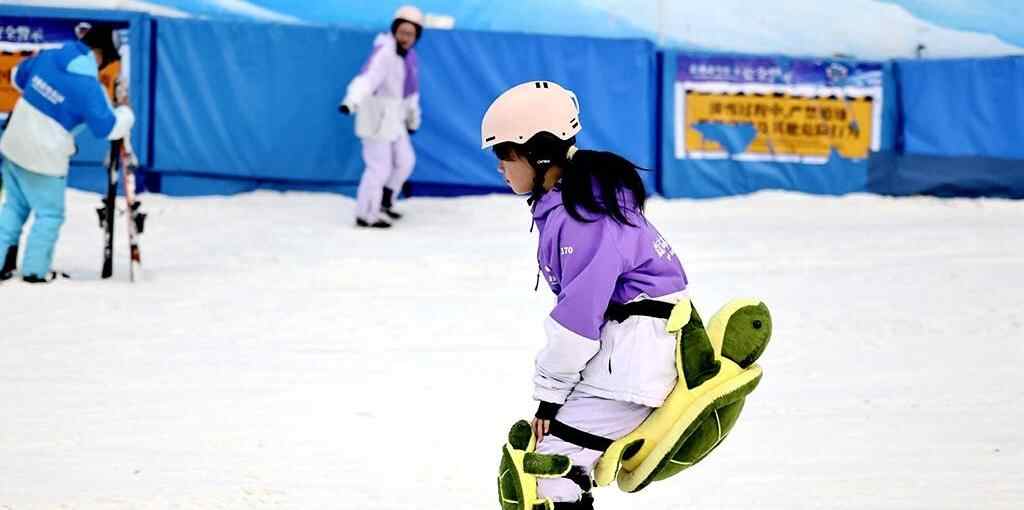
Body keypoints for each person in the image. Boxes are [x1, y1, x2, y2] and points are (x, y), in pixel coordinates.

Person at [480, 81, 689, 509]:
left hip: (632, 365)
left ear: (539, 155)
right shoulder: (577, 205)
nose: (500, 167)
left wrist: (549, 397)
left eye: (505, 155)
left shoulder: (585, 220)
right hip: (625, 357)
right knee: (547, 470)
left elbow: (577, 321)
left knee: (547, 473)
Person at [0, 22, 135, 283]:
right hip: (43, 159)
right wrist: (126, 112)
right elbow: (108, 128)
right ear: (101, 53)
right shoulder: (87, 86)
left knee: (13, 209)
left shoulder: (49, 56)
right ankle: (34, 272)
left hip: (13, 145)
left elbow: (17, 76)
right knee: (49, 215)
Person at [338, 5, 424, 228]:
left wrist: (413, 119)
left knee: (405, 161)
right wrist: (352, 101)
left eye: (410, 34)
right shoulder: (384, 53)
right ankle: (366, 213)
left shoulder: (410, 57)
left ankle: (386, 200)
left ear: (417, 36)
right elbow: (366, 79)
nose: (405, 38)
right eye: (402, 32)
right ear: (394, 31)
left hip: (395, 118)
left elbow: (411, 92)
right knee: (379, 168)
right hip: (375, 117)